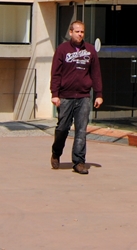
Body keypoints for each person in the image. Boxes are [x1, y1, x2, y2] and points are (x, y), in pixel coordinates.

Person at [50, 20, 103, 174]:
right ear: (70, 32)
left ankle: (79, 162)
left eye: (82, 32)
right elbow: (56, 74)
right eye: (77, 31)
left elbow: (96, 74)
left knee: (81, 130)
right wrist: (55, 94)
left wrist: (98, 94)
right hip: (65, 97)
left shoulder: (90, 51)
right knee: (62, 128)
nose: (80, 34)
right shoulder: (62, 50)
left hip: (83, 97)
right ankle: (56, 153)